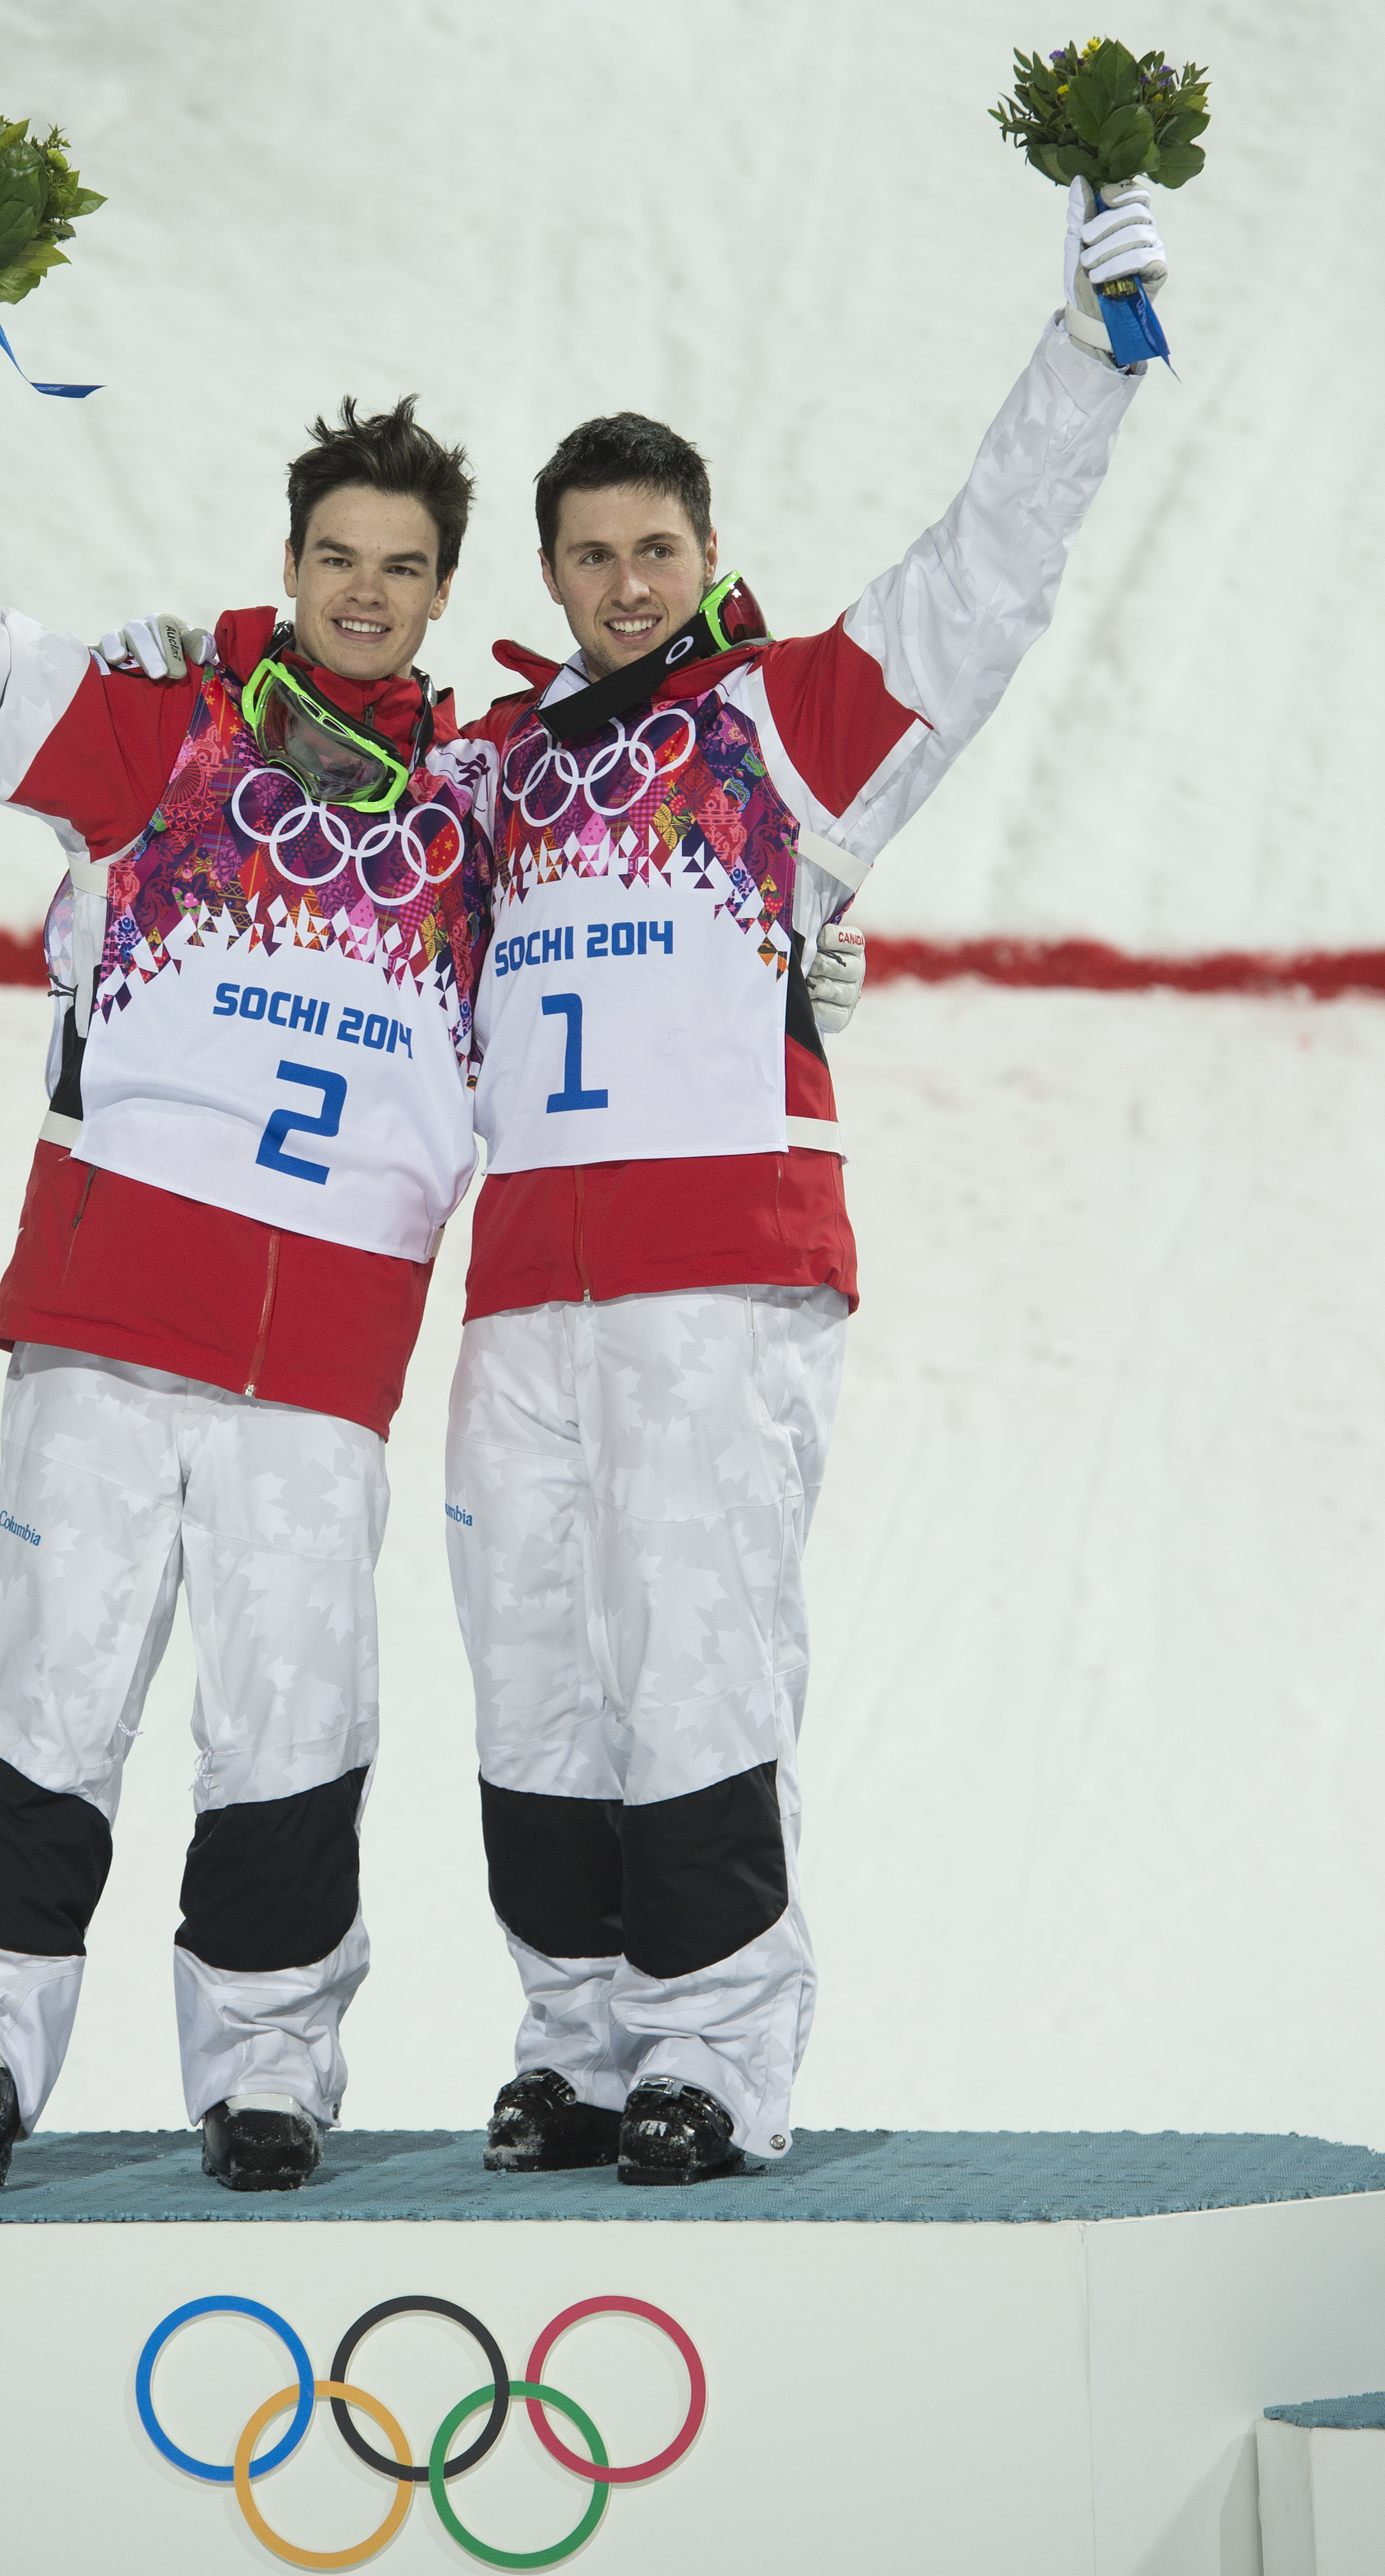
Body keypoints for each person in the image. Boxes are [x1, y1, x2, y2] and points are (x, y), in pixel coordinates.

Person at [444, 178, 1173, 2183]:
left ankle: (717, 2054)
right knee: (533, 1659)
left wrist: (1082, 360)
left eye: (655, 549)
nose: (624, 584)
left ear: (705, 553)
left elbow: (976, 583)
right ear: (549, 567)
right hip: (525, 1286)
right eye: (589, 556)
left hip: (716, 1271)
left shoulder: (776, 733)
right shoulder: (488, 768)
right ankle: (577, 2040)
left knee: (695, 1650)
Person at [0, 263, 492, 2190]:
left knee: (293, 1710)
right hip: (117, 1307)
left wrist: (786, 962)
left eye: (400, 563)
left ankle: (269, 2067)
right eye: (333, 555)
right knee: (50, 1674)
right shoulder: (167, 736)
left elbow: (665, 904)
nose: (362, 589)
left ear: (446, 588)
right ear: (288, 562)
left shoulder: (485, 809)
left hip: (321, 1355)